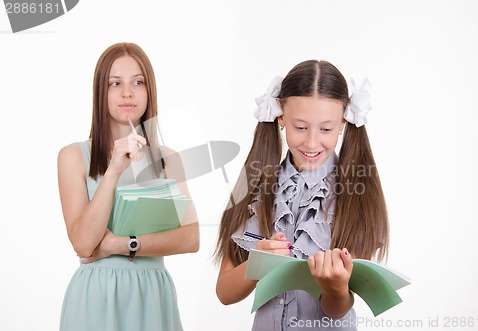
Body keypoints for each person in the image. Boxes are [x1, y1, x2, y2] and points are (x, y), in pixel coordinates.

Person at [215, 60, 389, 330]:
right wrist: (257, 265)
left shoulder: (357, 196)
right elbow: (225, 292)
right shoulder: (254, 184)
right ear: (281, 117)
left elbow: (338, 309)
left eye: (326, 129)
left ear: (343, 122)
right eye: (300, 127)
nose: (311, 142)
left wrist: (336, 288)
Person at [58, 42, 199, 331]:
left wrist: (120, 245)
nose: (127, 92)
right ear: (101, 91)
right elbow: (83, 243)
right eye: (115, 83)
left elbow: (191, 238)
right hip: (96, 297)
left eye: (138, 82)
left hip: (153, 295)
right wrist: (113, 171)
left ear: (150, 91)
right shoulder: (73, 156)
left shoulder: (168, 158)